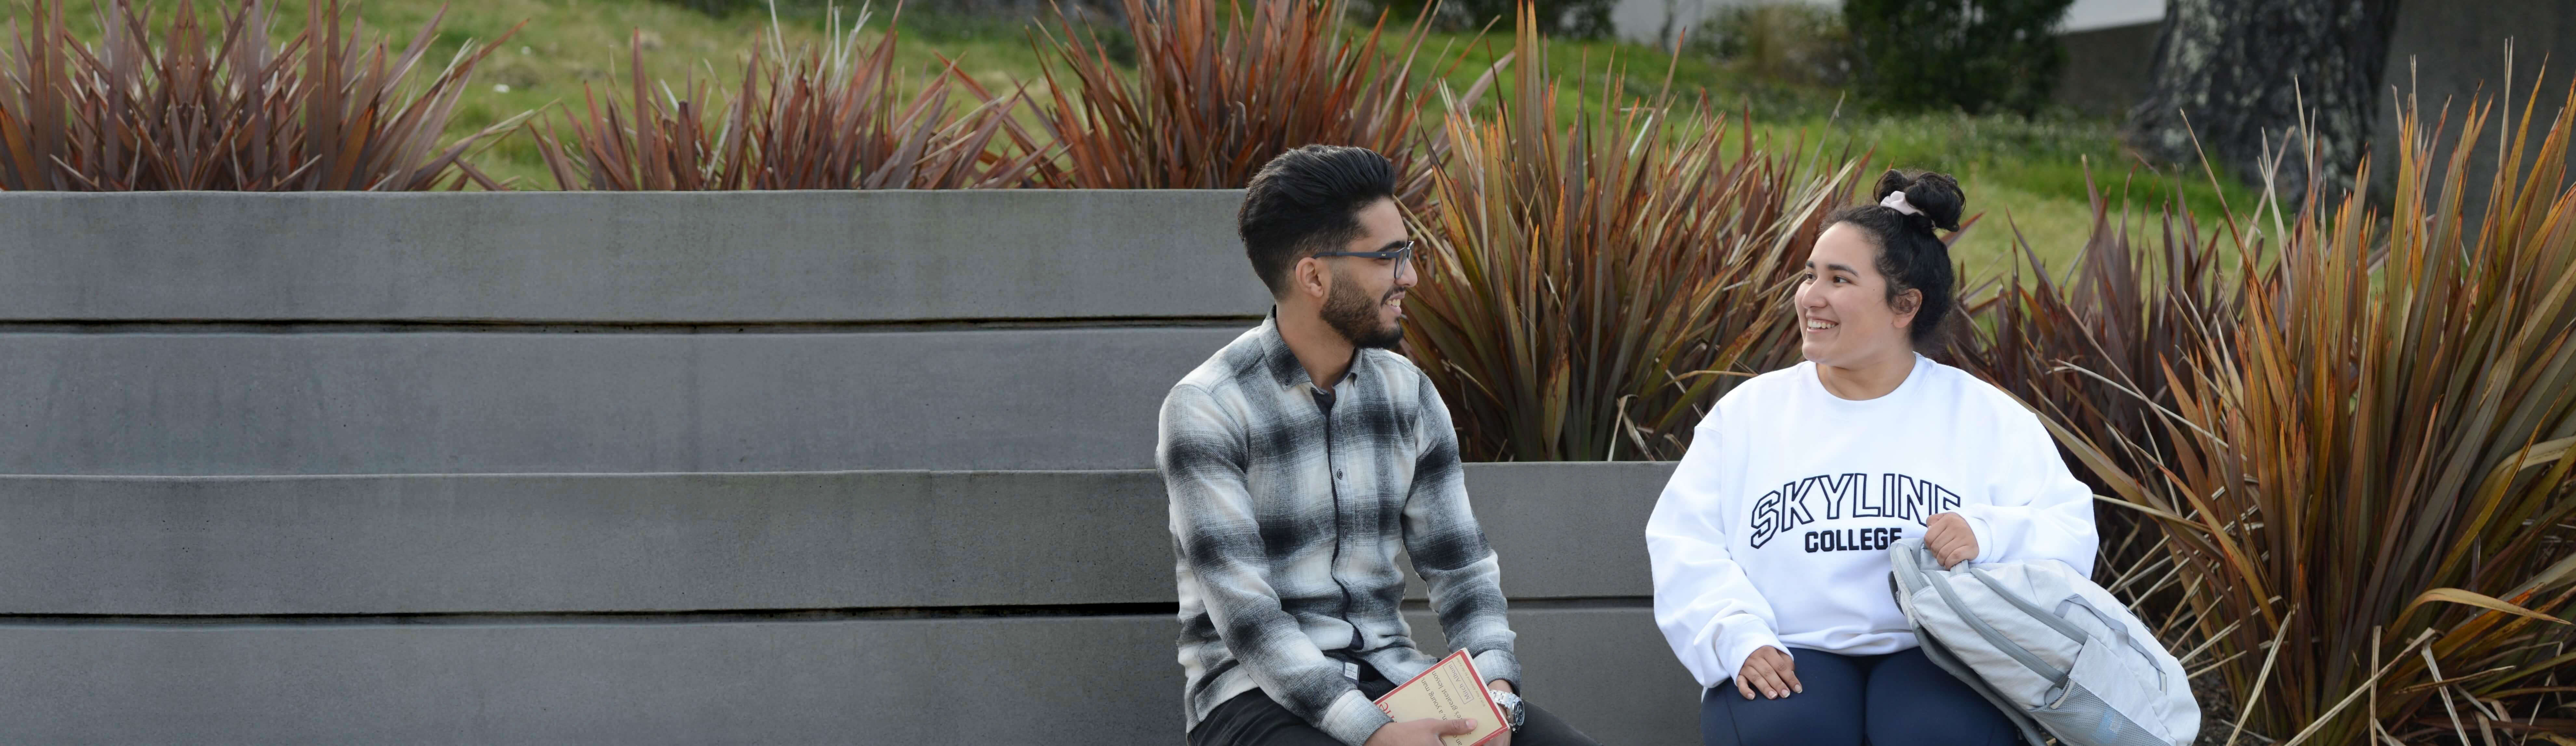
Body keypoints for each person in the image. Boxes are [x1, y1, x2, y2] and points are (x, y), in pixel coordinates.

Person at [1160, 145, 1602, 746]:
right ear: (1314, 276)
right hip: (1254, 700)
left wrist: (1496, 690)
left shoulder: (1408, 394)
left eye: (1409, 254)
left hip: (1397, 678)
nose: (1411, 278)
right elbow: (1250, 621)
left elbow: (1460, 567)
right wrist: (1371, 733)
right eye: (1390, 258)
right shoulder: (1208, 408)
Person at [1644, 170, 2099, 746]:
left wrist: (1988, 532)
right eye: (1811, 275)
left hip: (1938, 650)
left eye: (1839, 279)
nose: (1812, 296)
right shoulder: (1749, 416)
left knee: (1938, 735)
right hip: (1790, 646)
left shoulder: (1985, 417)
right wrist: (1736, 636)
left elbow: (2067, 530)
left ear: (1905, 305)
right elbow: (1686, 541)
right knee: (1790, 730)